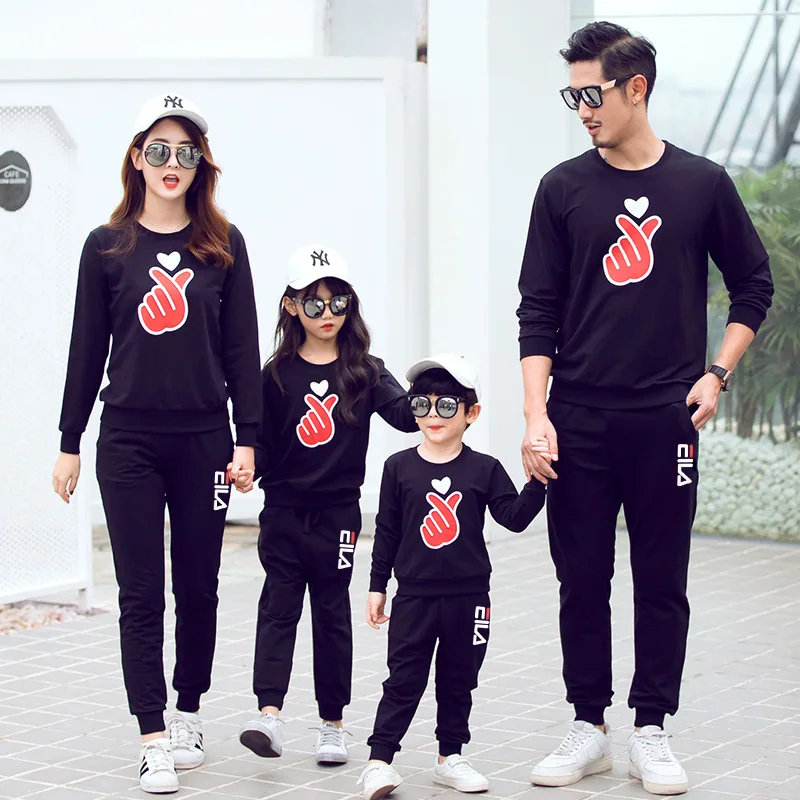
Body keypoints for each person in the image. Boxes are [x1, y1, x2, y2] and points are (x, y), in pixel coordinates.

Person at [517, 22, 774, 797]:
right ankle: (588, 726)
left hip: (666, 420)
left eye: (591, 94)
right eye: (572, 96)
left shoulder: (701, 185)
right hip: (578, 418)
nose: (582, 110)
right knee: (580, 579)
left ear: (637, 89)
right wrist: (535, 414)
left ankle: (652, 728)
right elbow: (538, 310)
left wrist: (716, 374)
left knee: (662, 579)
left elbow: (753, 285)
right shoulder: (561, 188)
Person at [52, 93, 261, 794]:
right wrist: (70, 440)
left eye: (187, 152)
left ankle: (189, 713)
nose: (174, 163)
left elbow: (241, 350)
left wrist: (248, 440)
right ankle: (152, 736)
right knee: (141, 593)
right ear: (137, 158)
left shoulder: (223, 245)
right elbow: (86, 349)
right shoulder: (106, 247)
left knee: (198, 587)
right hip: (129, 442)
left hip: (204, 441)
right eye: (160, 150)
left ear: (202, 164)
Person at [238, 245, 419, 766]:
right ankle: (268, 715)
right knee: (278, 608)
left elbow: (406, 416)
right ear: (291, 306)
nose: (327, 314)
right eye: (313, 303)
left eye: (337, 301)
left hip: (338, 516)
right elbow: (262, 442)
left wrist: (437, 391)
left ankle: (332, 725)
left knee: (332, 613)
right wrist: (248, 468)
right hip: (283, 512)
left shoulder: (365, 370)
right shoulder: (275, 374)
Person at [357, 355, 547, 799]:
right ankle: (378, 762)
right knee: (403, 679)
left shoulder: (484, 468)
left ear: (471, 413)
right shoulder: (398, 466)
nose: (432, 415)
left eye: (446, 406)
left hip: (470, 597)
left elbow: (513, 518)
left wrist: (539, 482)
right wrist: (377, 586)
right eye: (421, 404)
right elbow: (387, 531)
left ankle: (450, 756)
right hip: (414, 596)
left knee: (459, 679)